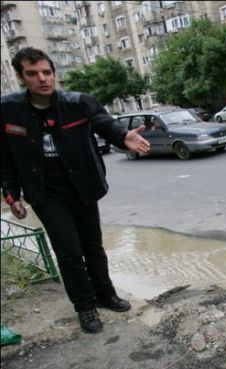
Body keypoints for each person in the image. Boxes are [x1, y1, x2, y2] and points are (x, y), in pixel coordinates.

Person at [1, 47, 151, 334]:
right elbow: (5, 158)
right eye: (33, 74)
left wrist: (123, 136)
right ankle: (85, 306)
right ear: (21, 78)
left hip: (82, 186)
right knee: (68, 252)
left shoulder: (78, 103)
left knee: (92, 246)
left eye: (47, 72)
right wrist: (12, 195)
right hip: (44, 193)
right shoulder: (8, 110)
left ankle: (105, 294)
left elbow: (104, 123)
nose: (42, 79)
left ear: (54, 73)